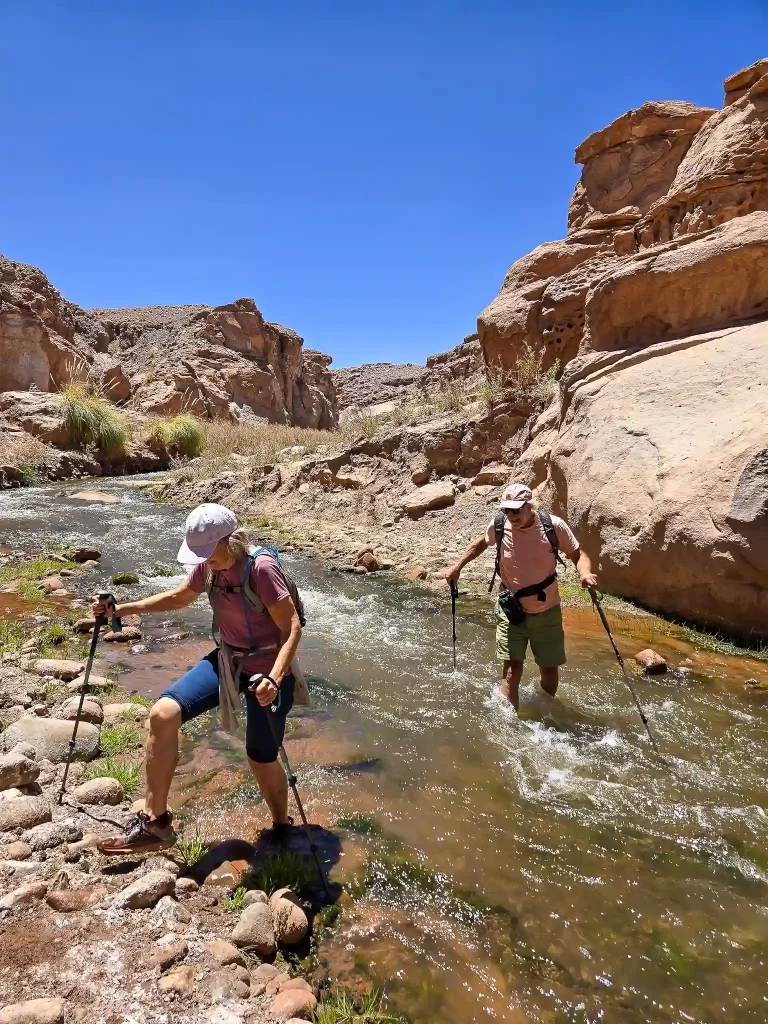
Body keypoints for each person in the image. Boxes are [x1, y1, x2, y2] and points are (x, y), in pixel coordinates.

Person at [95, 503, 303, 855]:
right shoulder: (208, 568)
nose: (206, 561)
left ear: (232, 541)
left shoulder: (261, 570)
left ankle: (282, 825)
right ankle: (156, 823)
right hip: (227, 660)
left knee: (261, 756)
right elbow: (180, 597)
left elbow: (292, 626)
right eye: (200, 555)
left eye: (210, 553)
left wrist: (275, 677)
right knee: (163, 714)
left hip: (269, 668)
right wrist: (124, 609)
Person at [444, 483, 597, 711]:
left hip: (546, 609)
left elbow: (578, 554)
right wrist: (458, 566)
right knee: (511, 672)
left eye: (515, 509)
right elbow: (480, 543)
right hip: (510, 608)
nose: (511, 515)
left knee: (549, 669)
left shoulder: (552, 526)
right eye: (506, 509)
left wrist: (584, 574)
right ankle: (510, 729)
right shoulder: (499, 525)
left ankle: (548, 713)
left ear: (529, 505)